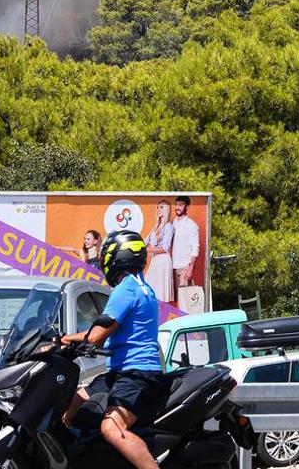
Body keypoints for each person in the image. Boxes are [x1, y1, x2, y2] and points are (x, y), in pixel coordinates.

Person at [61, 229, 164, 469]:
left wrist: (62, 340)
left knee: (111, 427)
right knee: (70, 406)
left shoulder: (126, 288)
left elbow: (96, 335)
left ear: (117, 255)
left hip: (137, 374)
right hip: (121, 372)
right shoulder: (141, 286)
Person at [169, 196, 201, 294]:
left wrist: (190, 269)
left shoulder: (192, 226)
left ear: (187, 207)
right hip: (171, 267)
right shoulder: (172, 223)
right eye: (176, 204)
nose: (177, 207)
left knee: (185, 299)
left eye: (181, 205)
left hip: (184, 268)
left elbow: (195, 249)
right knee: (174, 299)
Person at [145, 202, 174, 303]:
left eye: (161, 207)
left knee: (160, 291)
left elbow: (165, 248)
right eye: (157, 207)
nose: (158, 210)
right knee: (150, 287)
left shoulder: (168, 227)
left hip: (163, 261)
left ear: (166, 210)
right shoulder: (156, 226)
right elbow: (145, 241)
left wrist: (148, 249)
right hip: (155, 260)